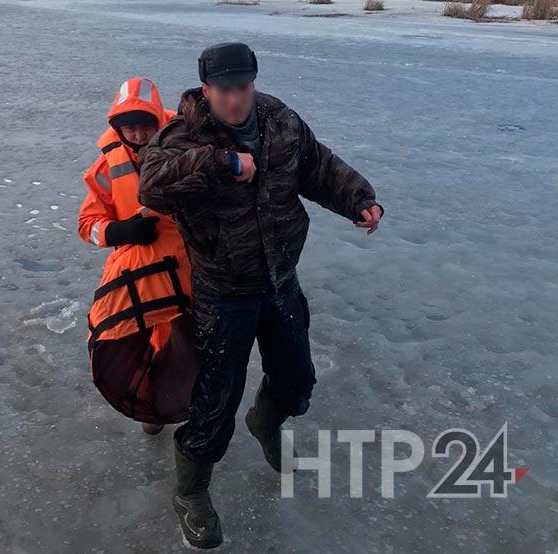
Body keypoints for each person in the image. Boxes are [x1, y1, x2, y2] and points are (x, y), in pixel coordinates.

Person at [139, 43, 384, 548]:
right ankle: (191, 492)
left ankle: (265, 421)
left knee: (297, 382)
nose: (236, 100)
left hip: (279, 278)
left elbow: (317, 166)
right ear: (206, 90)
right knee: (214, 402)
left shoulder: (279, 120)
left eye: (243, 87)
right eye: (225, 90)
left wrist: (359, 198)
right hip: (223, 289)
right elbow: (150, 184)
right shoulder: (184, 134)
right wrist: (221, 162)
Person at [78, 76, 197, 436]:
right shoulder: (108, 167)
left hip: (190, 270)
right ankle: (152, 406)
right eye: (129, 128)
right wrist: (119, 231)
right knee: (139, 341)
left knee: (189, 345)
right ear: (118, 128)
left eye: (145, 126)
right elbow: (88, 223)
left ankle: (184, 404)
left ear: (158, 121)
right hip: (140, 273)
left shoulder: (186, 147)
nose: (138, 135)